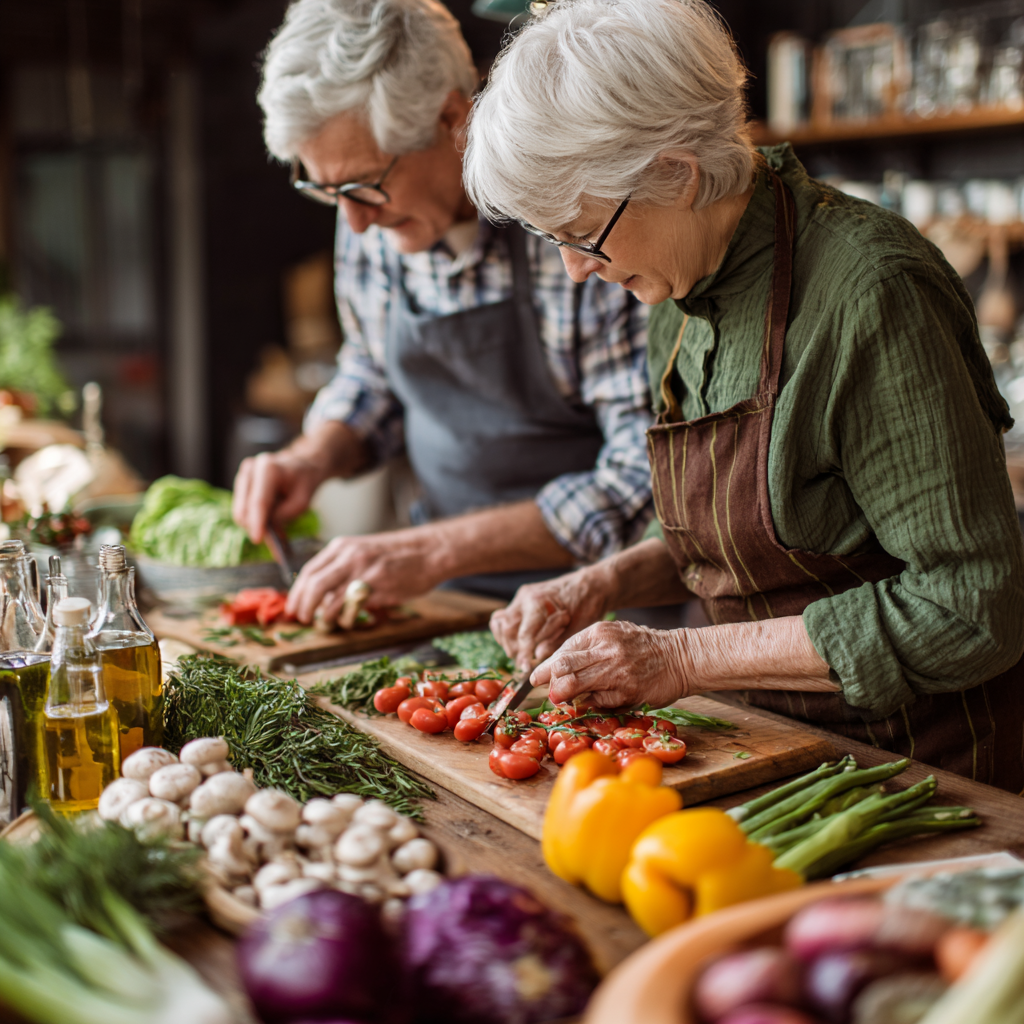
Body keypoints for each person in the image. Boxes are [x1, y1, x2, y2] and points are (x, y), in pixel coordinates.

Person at [461, 0, 1024, 791]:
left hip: (915, 778)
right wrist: (605, 584)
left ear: (677, 176)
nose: (575, 270)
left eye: (582, 235)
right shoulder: (677, 289)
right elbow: (762, 541)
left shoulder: (871, 294)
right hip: (762, 743)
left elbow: (972, 608)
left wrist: (683, 656)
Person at [232, 0, 652, 622]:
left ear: (453, 117)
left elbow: (640, 477)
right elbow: (373, 373)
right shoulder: (371, 216)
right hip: (442, 601)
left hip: (602, 615)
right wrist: (314, 455)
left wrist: (434, 547)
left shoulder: (574, 224)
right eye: (328, 191)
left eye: (365, 184)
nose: (353, 221)